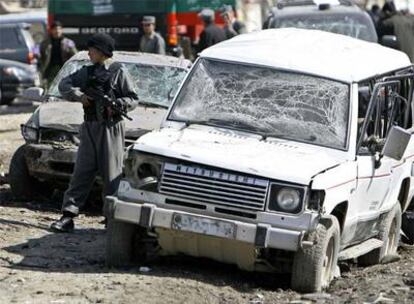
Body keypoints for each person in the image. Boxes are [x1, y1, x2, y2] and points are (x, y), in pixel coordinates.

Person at [50, 33, 139, 232]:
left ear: (101, 52)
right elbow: (63, 85)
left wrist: (119, 104)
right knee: (81, 172)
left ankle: (112, 218)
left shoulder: (118, 71)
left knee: (112, 175)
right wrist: (80, 96)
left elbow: (133, 98)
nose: (88, 53)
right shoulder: (86, 72)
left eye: (92, 50)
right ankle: (68, 215)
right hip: (90, 127)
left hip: (111, 128)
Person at [39, 21, 77, 87]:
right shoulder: (45, 43)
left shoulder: (68, 43)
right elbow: (40, 56)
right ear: (51, 30)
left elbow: (76, 56)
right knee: (50, 88)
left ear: (62, 30)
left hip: (64, 70)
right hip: (50, 70)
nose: (57, 31)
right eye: (55, 29)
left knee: (64, 88)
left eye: (59, 29)